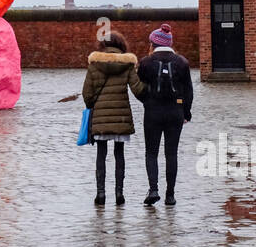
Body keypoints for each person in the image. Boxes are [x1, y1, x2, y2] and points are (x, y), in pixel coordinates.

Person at [82, 31, 145, 206]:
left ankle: (100, 194)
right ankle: (119, 194)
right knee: (119, 154)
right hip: (121, 116)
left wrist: (91, 106)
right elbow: (138, 89)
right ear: (121, 45)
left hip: (101, 116)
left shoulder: (94, 64)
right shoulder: (127, 64)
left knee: (101, 154)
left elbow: (86, 93)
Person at [136, 25, 194, 206]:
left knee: (151, 153)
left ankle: (153, 189)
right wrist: (186, 112)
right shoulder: (182, 62)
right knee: (171, 154)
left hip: (152, 112)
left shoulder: (145, 62)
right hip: (175, 113)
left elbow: (139, 87)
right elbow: (188, 91)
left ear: (153, 43)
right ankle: (170, 195)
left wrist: (146, 101)